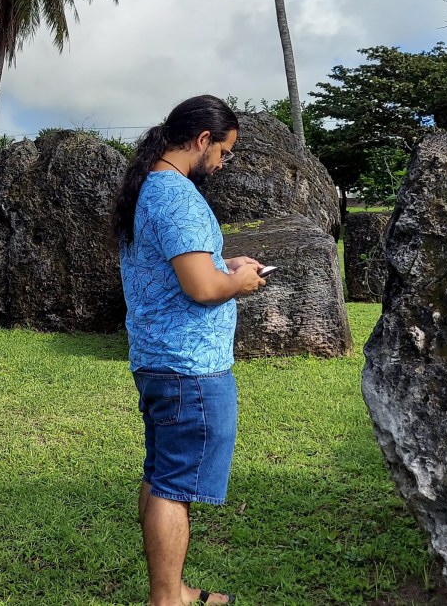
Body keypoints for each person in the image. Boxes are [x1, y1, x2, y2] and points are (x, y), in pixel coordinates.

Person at [112, 94, 267, 606]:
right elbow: (201, 288)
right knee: (175, 486)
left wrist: (225, 263)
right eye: (224, 152)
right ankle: (167, 600)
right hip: (190, 369)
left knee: (161, 476)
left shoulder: (149, 186)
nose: (222, 163)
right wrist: (239, 282)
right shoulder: (177, 196)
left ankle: (172, 590)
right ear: (203, 140)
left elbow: (180, 268)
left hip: (159, 360)